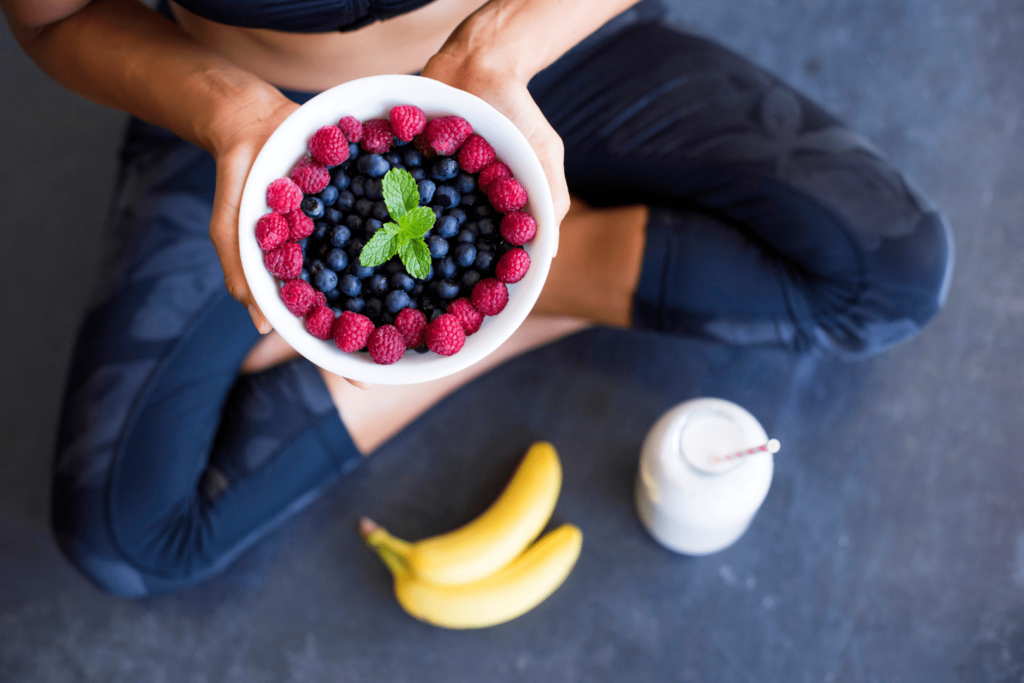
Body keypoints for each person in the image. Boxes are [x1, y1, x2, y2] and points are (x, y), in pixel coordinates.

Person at [3, 0, 952, 596]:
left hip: (541, 52)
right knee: (128, 539)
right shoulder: (236, 116)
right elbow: (53, 16)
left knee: (891, 275)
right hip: (252, 121)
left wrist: (503, 43)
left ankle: (515, 282)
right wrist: (226, 109)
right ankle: (548, 269)